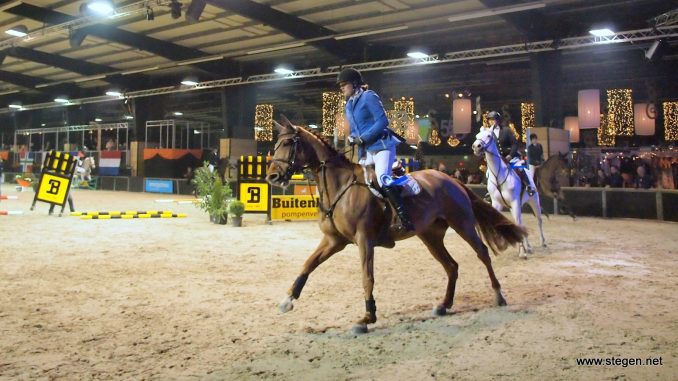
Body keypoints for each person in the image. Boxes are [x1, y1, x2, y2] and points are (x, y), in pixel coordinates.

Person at [337, 67, 413, 232]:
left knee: (382, 178)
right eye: (340, 85)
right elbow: (356, 129)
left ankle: (405, 218)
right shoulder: (349, 105)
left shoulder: (368, 96)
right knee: (361, 181)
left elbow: (382, 121)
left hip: (382, 146)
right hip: (366, 151)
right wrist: (352, 138)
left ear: (355, 84)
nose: (341, 88)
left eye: (344, 84)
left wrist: (363, 138)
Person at [488, 111, 536, 196]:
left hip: (510, 156)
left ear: (498, 120)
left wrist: (510, 155)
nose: (491, 122)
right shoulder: (489, 133)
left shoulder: (506, 130)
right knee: (489, 172)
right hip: (499, 159)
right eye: (490, 120)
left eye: (493, 120)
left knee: (520, 168)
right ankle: (491, 191)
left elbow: (515, 144)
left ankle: (529, 186)